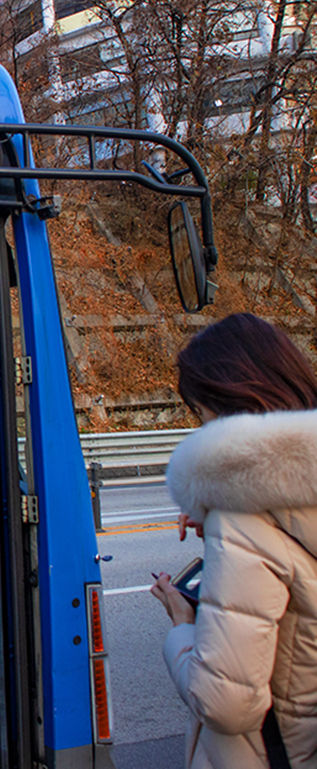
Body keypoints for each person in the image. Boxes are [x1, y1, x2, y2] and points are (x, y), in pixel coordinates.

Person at [151, 313, 317, 769]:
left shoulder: (243, 518)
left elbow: (225, 705)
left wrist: (182, 627)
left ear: (228, 405)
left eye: (201, 413)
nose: (200, 428)